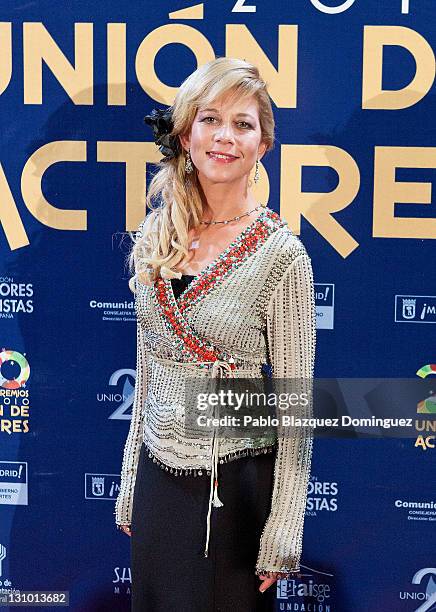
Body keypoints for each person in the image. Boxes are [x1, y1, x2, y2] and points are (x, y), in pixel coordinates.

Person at [114, 57, 317, 612]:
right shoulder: (160, 232)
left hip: (234, 489)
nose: (224, 137)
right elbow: (150, 367)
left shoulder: (282, 256)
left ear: (263, 145)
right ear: (185, 133)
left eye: (243, 124)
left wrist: (283, 527)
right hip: (159, 480)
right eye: (210, 119)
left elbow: (296, 407)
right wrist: (132, 475)